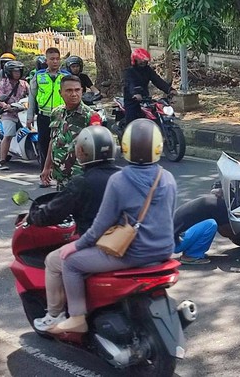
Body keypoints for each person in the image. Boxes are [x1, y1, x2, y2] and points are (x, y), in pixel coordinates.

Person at [47, 118, 177, 334]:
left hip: (133, 254)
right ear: (158, 147)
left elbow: (101, 224)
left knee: (70, 263)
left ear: (124, 147)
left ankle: (77, 318)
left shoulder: (120, 180)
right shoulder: (168, 178)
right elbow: (168, 215)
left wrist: (76, 246)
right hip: (164, 250)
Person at [30, 125, 120, 331]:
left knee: (54, 261)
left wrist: (35, 216)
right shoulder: (125, 176)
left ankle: (55, 315)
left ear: (83, 152)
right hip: (129, 241)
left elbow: (53, 212)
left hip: (103, 246)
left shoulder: (82, 183)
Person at [40, 74, 102, 190]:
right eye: (69, 90)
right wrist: (47, 167)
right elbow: (53, 140)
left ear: (82, 91)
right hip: (60, 176)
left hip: (80, 178)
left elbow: (98, 150)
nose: (74, 94)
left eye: (77, 90)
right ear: (60, 93)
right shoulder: (56, 113)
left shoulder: (91, 116)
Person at [28, 47, 69, 183]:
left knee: (62, 145)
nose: (55, 61)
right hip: (44, 116)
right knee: (44, 145)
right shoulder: (38, 75)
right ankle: (44, 176)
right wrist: (29, 117)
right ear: (46, 61)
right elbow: (32, 97)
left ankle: (61, 175)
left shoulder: (65, 76)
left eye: (57, 59)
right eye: (52, 59)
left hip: (62, 116)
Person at [123, 48, 175, 126]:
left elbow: (157, 80)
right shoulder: (129, 72)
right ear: (135, 60)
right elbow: (130, 83)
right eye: (141, 60)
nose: (143, 62)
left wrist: (169, 89)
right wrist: (135, 93)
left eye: (145, 60)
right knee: (131, 122)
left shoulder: (148, 70)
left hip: (145, 98)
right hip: (132, 100)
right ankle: (128, 135)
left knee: (155, 114)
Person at [0, 61, 30, 170]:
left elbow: (31, 95)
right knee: (8, 135)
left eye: (19, 71)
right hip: (8, 114)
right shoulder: (3, 83)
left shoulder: (24, 84)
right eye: (15, 71)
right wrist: (6, 106)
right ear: (9, 72)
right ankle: (2, 161)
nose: (17, 73)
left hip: (23, 111)